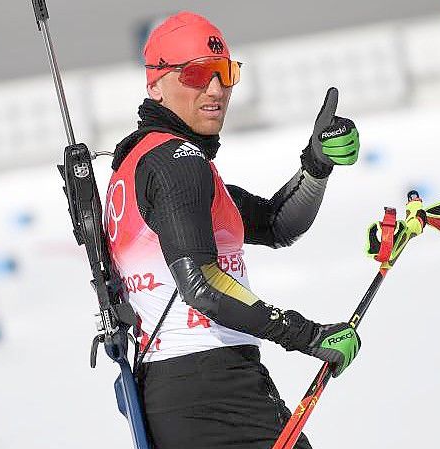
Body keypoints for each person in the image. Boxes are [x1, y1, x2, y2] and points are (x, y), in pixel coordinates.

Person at [104, 11, 362, 449]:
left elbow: (277, 225)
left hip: (176, 389)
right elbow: (201, 286)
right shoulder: (176, 163)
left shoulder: (146, 163)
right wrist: (307, 335)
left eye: (226, 73)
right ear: (155, 84)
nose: (216, 89)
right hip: (213, 388)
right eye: (198, 74)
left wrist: (317, 167)